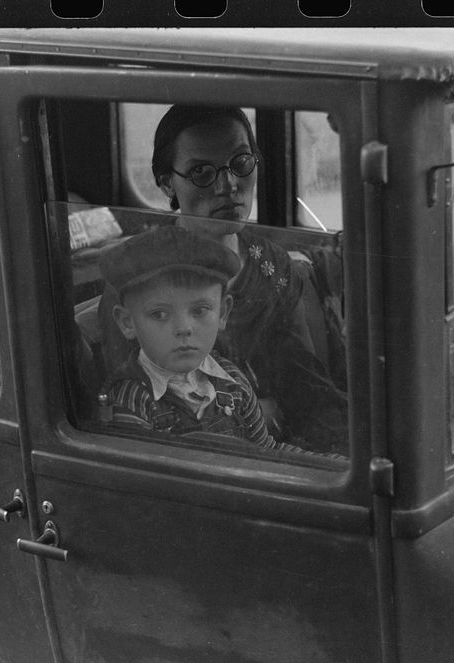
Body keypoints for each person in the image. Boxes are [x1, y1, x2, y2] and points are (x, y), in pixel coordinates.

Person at [98, 104, 348, 454]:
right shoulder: (136, 280)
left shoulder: (271, 266)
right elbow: (137, 415)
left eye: (241, 163)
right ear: (168, 183)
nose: (229, 185)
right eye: (201, 172)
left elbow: (306, 383)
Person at [98, 225, 314, 454]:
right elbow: (146, 481)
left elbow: (266, 452)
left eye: (200, 311)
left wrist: (327, 468)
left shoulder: (233, 382)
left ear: (222, 313)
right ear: (127, 322)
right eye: (159, 314)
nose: (183, 329)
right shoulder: (131, 403)